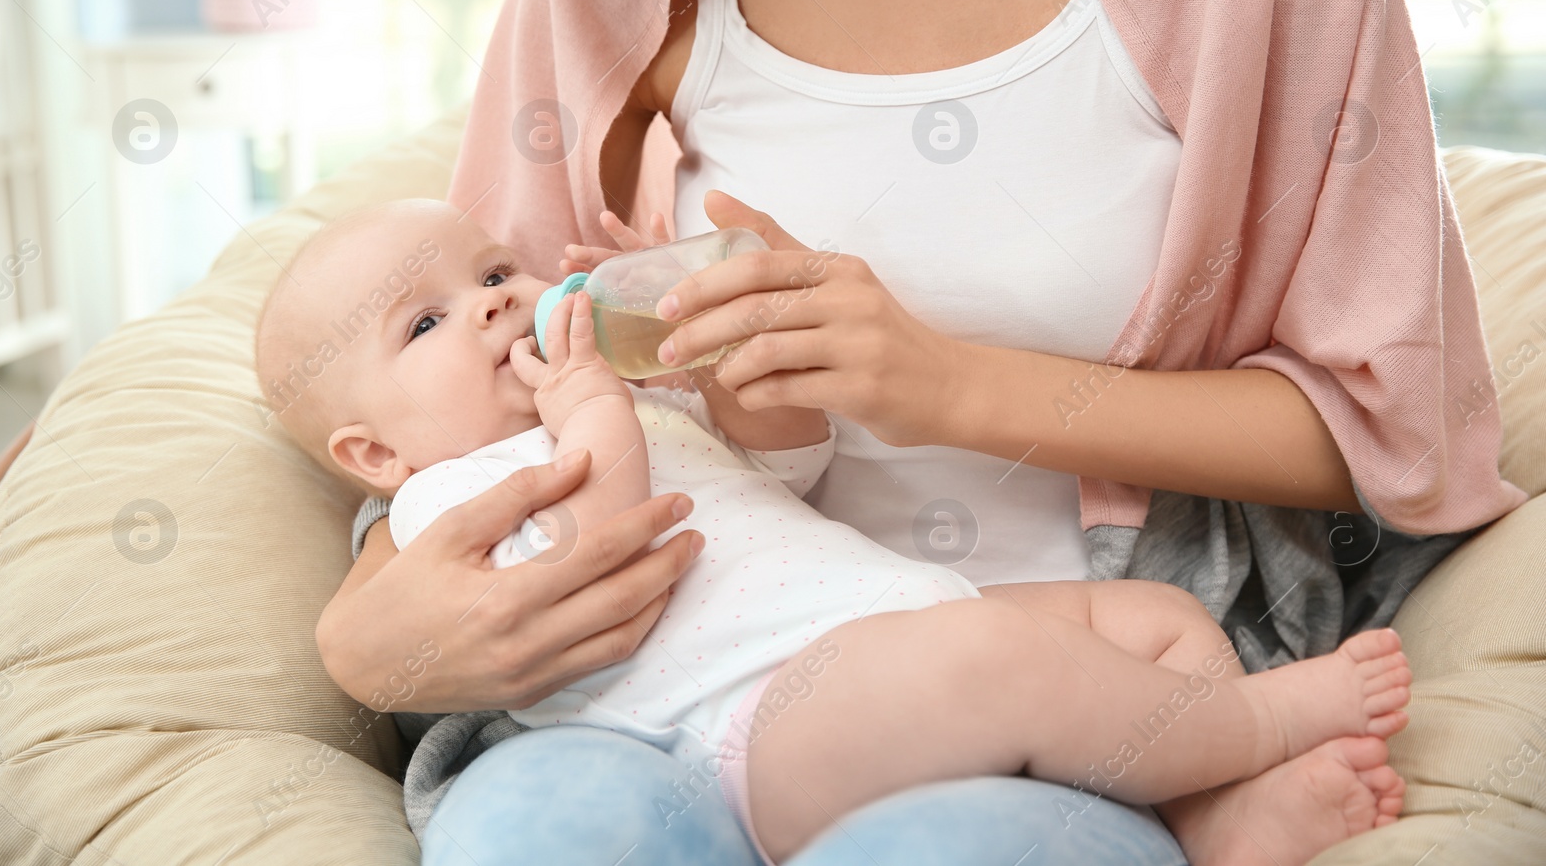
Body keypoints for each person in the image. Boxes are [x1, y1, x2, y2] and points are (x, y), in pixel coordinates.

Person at [314, 0, 1528, 862]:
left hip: (1074, 677)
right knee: (532, 835)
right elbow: (459, 403)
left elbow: (1390, 432)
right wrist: (367, 635)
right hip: (658, 694)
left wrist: (944, 384)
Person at [263, 198, 1411, 865]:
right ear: (374, 451)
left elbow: (786, 467)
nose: (494, 303)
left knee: (1147, 616)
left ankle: (1205, 811)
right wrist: (595, 410)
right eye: (428, 320)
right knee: (992, 661)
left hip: (892, 634)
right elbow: (598, 573)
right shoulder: (439, 507)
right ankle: (1258, 722)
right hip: (759, 729)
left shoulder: (634, 405)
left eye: (494, 269)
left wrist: (729, 368)